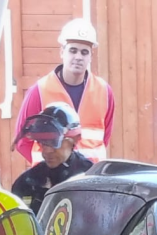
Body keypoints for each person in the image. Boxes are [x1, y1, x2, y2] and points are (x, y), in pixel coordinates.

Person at [14, 18, 114, 164]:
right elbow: (22, 141)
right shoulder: (40, 91)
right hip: (53, 182)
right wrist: (48, 166)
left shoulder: (104, 92)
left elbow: (104, 138)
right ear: (62, 52)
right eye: (73, 50)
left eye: (84, 52)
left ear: (91, 56)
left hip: (89, 180)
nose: (78, 57)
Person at [11, 102, 96, 214]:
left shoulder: (91, 179)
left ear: (75, 138)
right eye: (42, 143)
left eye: (54, 142)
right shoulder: (26, 183)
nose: (46, 151)